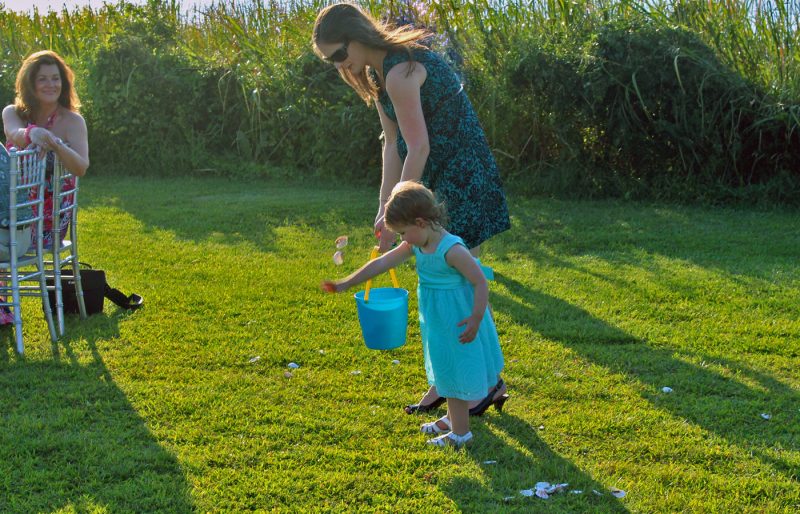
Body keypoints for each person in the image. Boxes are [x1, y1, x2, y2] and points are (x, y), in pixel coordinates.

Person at [313, 3, 511, 415]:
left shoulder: (402, 72)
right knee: (444, 287)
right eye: (331, 60)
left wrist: (397, 209)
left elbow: (419, 146)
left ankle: (483, 385)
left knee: (456, 287)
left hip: (462, 177)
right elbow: (393, 144)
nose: (338, 65)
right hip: (434, 181)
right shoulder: (379, 75)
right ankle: (451, 383)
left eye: (337, 54)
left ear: (355, 35)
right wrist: (384, 209)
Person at [322, 182, 507, 447]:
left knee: (455, 371)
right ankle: (453, 419)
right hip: (438, 319)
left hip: (460, 319)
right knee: (445, 367)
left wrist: (477, 318)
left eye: (403, 232)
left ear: (420, 222)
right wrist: (345, 283)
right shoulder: (417, 244)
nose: (402, 239)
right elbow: (382, 263)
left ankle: (461, 434)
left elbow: (480, 282)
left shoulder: (451, 249)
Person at [2, 50, 89, 324]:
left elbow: (81, 167)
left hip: (46, 223)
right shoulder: (13, 113)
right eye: (43, 79)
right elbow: (14, 134)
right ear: (30, 83)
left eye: (56, 78)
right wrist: (33, 133)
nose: (51, 85)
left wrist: (55, 142)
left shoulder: (73, 121)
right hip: (9, 216)